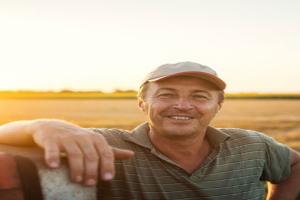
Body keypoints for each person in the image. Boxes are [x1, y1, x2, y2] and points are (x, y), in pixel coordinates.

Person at [0, 61, 299, 200]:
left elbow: (295, 164)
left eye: (199, 96)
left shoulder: (252, 145)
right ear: (143, 103)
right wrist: (46, 125)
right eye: (167, 94)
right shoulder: (107, 146)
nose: (182, 105)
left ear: (217, 105)